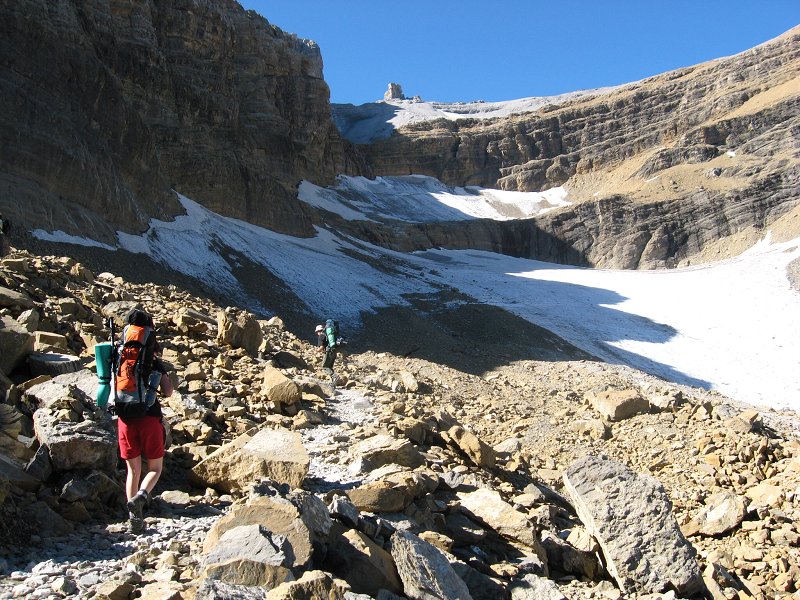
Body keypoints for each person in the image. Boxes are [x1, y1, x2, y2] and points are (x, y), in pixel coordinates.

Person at [114, 308, 173, 534]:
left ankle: (134, 519)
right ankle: (142, 496)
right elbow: (168, 393)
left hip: (124, 418)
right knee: (155, 468)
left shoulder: (119, 356)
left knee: (133, 470)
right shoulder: (152, 360)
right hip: (149, 417)